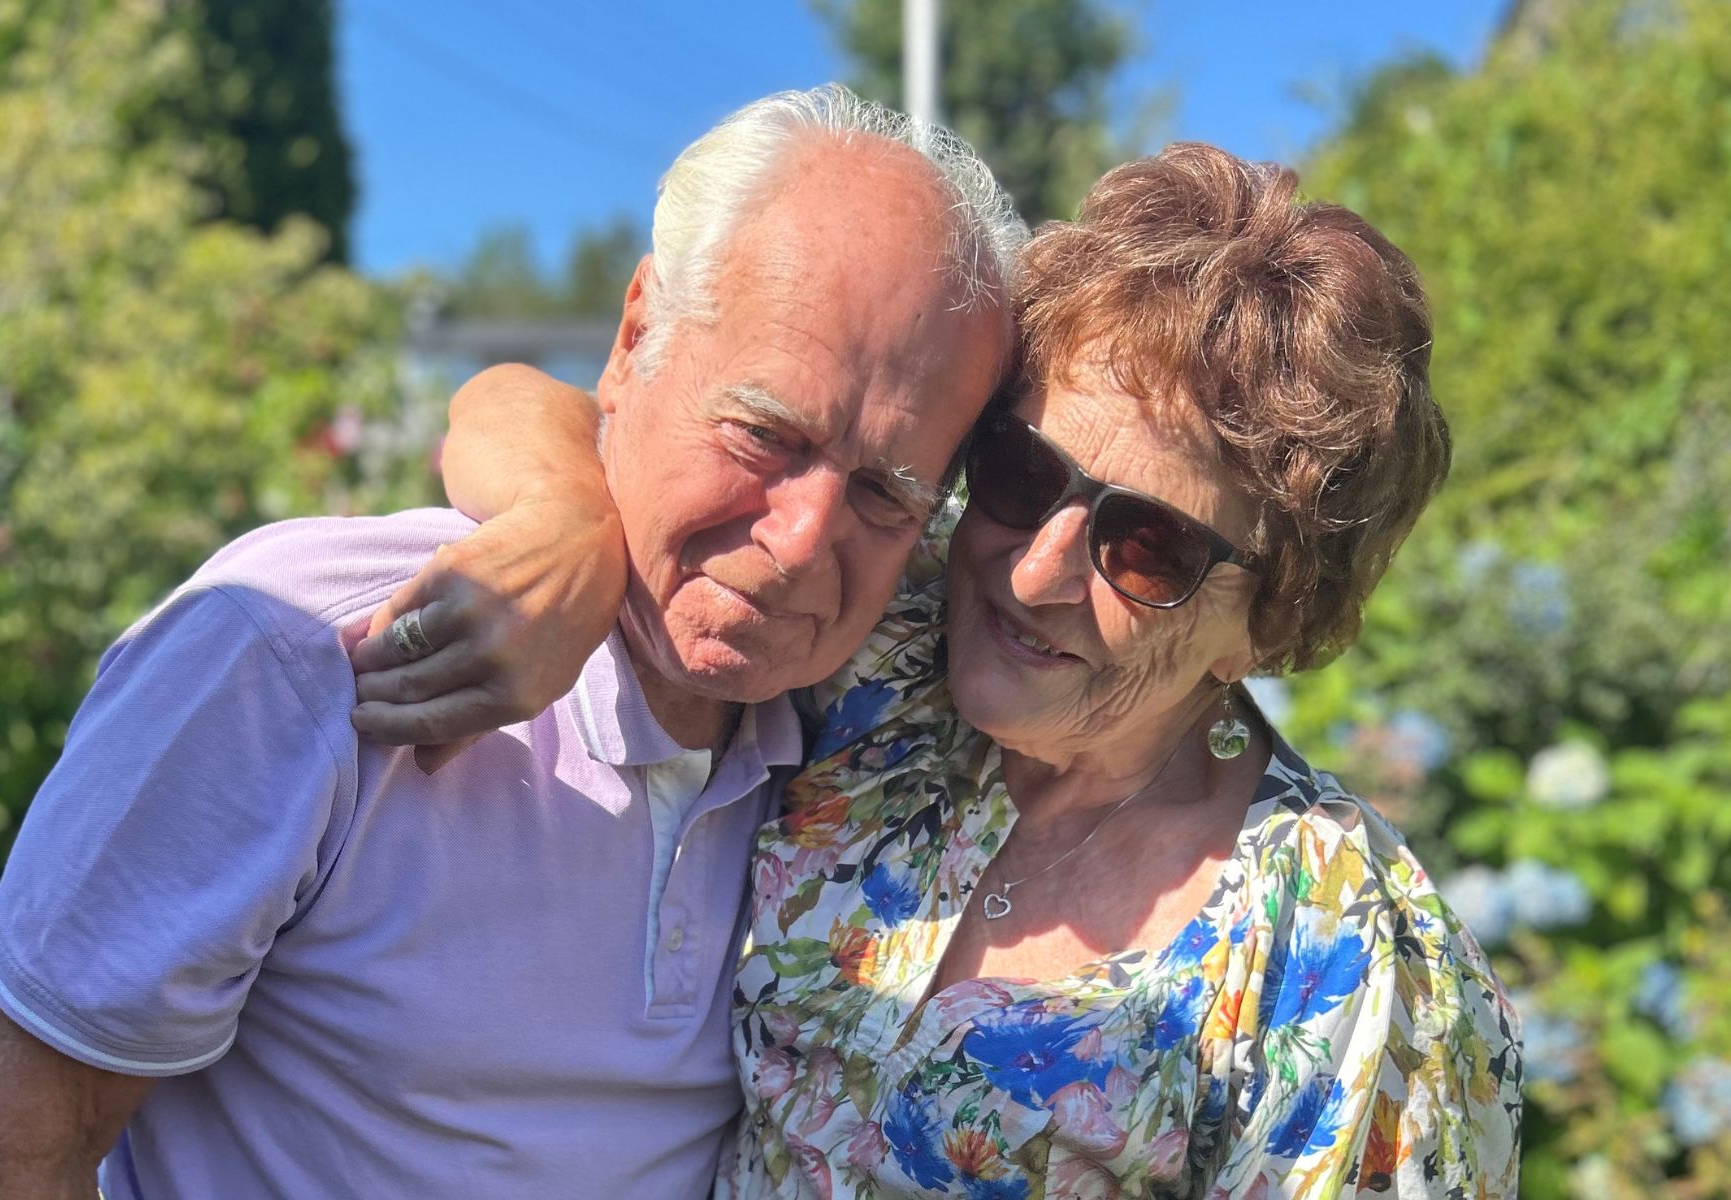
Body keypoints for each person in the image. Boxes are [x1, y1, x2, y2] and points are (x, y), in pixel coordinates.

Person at [358, 144, 1523, 1198]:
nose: (1033, 572)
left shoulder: (1351, 960)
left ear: (1268, 621)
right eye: (1022, 475)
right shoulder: (885, 653)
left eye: (1146, 546)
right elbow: (538, 404)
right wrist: (562, 523)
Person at [0, 86, 1024, 1200]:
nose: (800, 544)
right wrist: (562, 511)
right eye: (765, 433)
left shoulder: (872, 731)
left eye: (886, 492)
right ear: (637, 337)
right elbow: (17, 1151)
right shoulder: (292, 648)